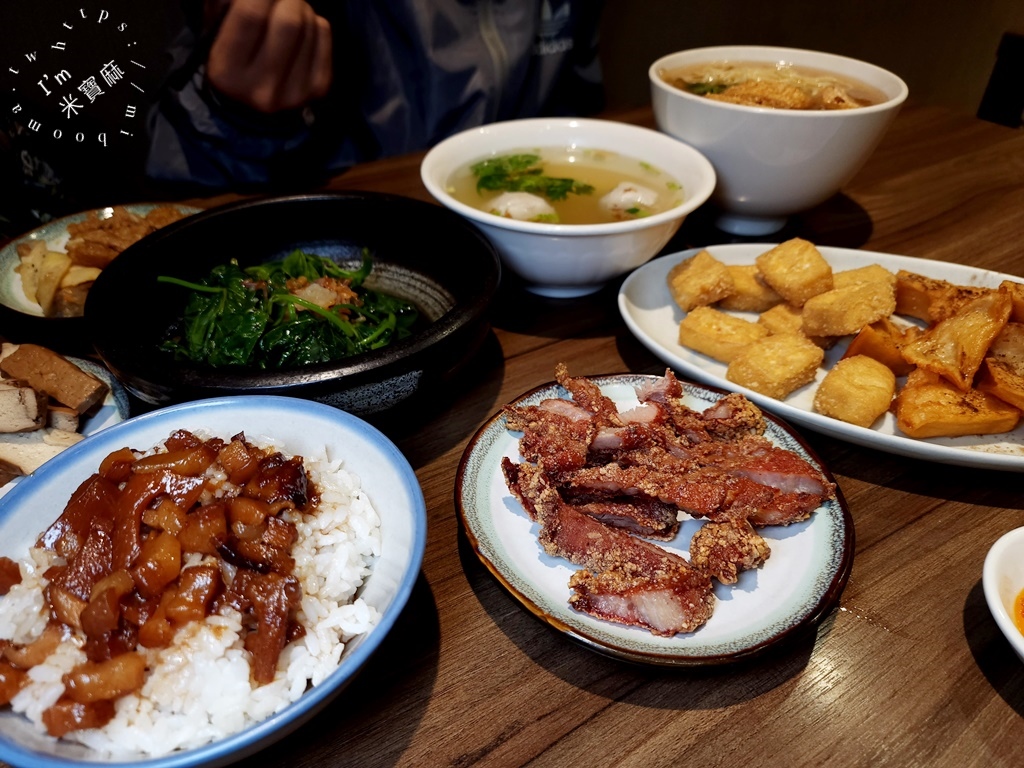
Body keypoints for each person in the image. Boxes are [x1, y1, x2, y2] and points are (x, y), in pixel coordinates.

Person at [146, 0, 607, 190]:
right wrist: (236, 116)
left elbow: (577, 107)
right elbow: (173, 169)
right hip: (347, 236)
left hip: (539, 267)